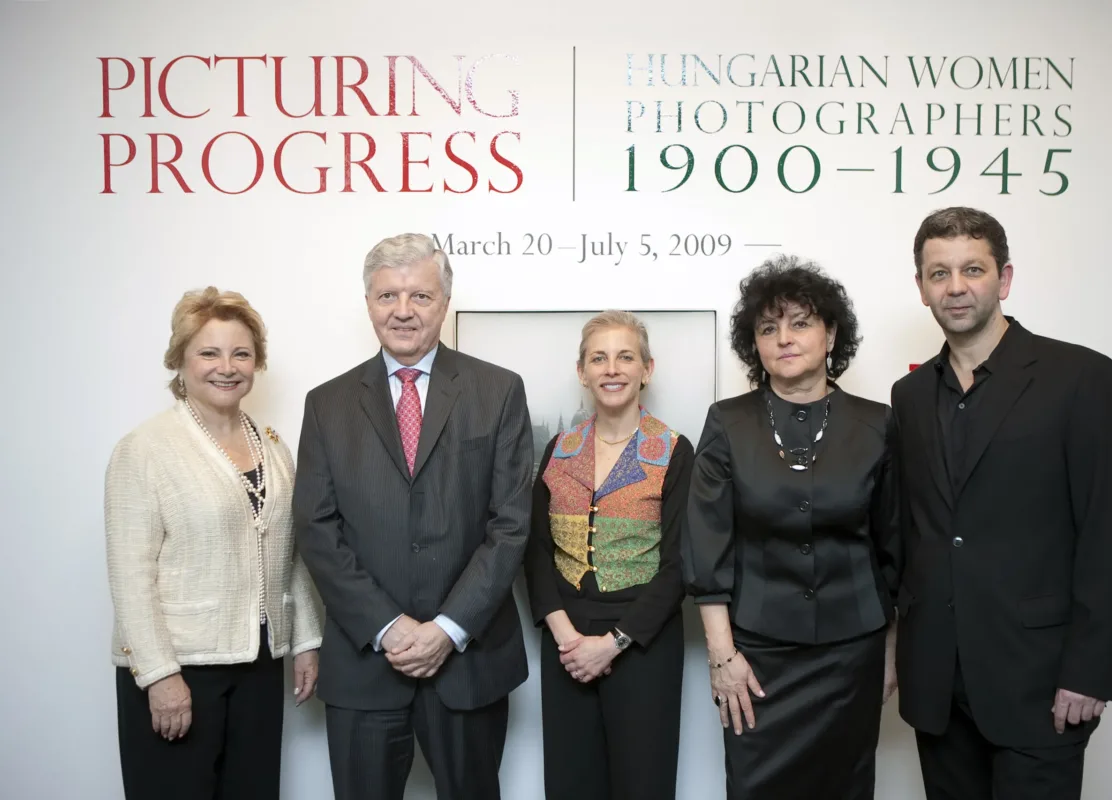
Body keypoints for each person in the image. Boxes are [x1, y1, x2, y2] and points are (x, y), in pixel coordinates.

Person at [892, 206, 1112, 800]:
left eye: (972, 269)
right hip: (939, 685)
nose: (956, 287)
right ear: (922, 287)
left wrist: (1090, 671)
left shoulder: (1081, 376)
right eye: (939, 273)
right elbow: (913, 534)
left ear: (1003, 279)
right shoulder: (909, 395)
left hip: (1042, 683)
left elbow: (1110, 536)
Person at [293, 233, 533, 800]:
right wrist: (388, 626)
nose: (402, 311)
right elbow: (317, 528)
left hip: (468, 663)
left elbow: (511, 524)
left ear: (445, 302)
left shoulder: (498, 391)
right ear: (369, 302)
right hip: (364, 664)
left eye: (420, 296)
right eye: (387, 297)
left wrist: (447, 629)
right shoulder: (326, 405)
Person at [683, 257, 902, 800]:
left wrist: (894, 650)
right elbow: (707, 549)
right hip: (755, 658)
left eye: (800, 322)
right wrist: (722, 658)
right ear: (753, 344)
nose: (783, 338)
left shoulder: (878, 423)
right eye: (767, 327)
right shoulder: (727, 422)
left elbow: (895, 547)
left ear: (830, 334)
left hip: (852, 653)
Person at [104, 287, 322, 800]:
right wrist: (159, 676)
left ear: (256, 363)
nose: (226, 366)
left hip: (261, 664)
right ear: (180, 360)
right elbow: (130, 575)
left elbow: (293, 552)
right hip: (180, 670)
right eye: (209, 352)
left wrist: (307, 641)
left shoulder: (271, 445)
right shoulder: (144, 450)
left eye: (241, 353)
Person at [524, 311, 694, 800]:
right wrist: (568, 639)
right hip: (566, 646)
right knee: (570, 783)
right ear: (582, 371)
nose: (612, 368)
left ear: (647, 368)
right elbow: (535, 551)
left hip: (644, 645)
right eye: (599, 357)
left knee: (643, 783)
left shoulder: (674, 451)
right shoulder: (558, 449)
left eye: (625, 356)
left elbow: (680, 564)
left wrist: (612, 644)